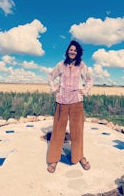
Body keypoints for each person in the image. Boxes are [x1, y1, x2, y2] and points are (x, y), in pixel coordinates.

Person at [46, 40, 93, 173]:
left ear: (78, 53)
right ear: (67, 51)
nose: (72, 52)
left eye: (75, 50)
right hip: (61, 100)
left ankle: (79, 156)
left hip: (76, 101)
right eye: (71, 50)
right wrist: (54, 88)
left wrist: (85, 90)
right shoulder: (61, 65)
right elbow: (50, 76)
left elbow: (89, 79)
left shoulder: (82, 66)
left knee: (77, 130)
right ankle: (54, 159)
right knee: (58, 131)